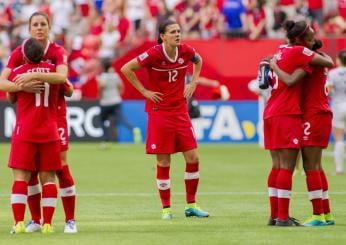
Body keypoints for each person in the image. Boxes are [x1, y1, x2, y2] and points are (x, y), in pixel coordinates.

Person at [121, 19, 209, 220]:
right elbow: (127, 68)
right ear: (163, 36)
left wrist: (193, 82)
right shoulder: (153, 53)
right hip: (159, 112)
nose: (178, 34)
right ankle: (166, 209)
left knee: (193, 158)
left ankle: (191, 205)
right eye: (173, 32)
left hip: (180, 110)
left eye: (179, 31)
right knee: (163, 161)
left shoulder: (185, 50)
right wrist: (144, 91)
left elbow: (199, 60)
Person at [0, 11, 77, 233]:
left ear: (49, 26)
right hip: (41, 120)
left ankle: (70, 219)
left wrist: (32, 76)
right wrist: (22, 85)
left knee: (60, 168)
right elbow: (4, 84)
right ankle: (37, 220)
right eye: (36, 24)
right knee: (35, 172)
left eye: (43, 24)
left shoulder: (58, 51)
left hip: (56, 116)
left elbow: (64, 80)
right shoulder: (18, 52)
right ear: (30, 28)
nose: (40, 27)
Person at [263, 20, 334, 227]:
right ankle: (321, 214)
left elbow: (291, 78)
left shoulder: (285, 53)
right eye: (310, 36)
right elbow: (327, 61)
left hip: (309, 113)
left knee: (308, 166)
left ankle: (318, 215)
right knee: (312, 166)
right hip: (302, 113)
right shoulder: (303, 56)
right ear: (301, 40)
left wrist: (274, 65)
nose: (312, 40)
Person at [5, 38, 63, 234]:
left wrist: (21, 86)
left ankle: (19, 223)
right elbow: (68, 88)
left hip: (25, 132)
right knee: (48, 180)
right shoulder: (54, 72)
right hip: (50, 131)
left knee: (20, 179)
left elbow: (10, 97)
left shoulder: (17, 73)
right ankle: (47, 224)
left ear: (23, 55)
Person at [97, 58, 142, 145]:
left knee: (102, 120)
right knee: (122, 119)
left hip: (105, 103)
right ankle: (133, 129)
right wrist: (118, 95)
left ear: (103, 66)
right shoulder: (115, 75)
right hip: (116, 101)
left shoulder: (102, 76)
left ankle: (106, 139)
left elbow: (101, 87)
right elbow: (121, 86)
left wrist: (100, 96)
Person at [327, 50, 346, 175]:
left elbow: (328, 91)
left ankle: (339, 169)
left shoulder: (332, 73)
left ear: (339, 60)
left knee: (339, 139)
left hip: (338, 106)